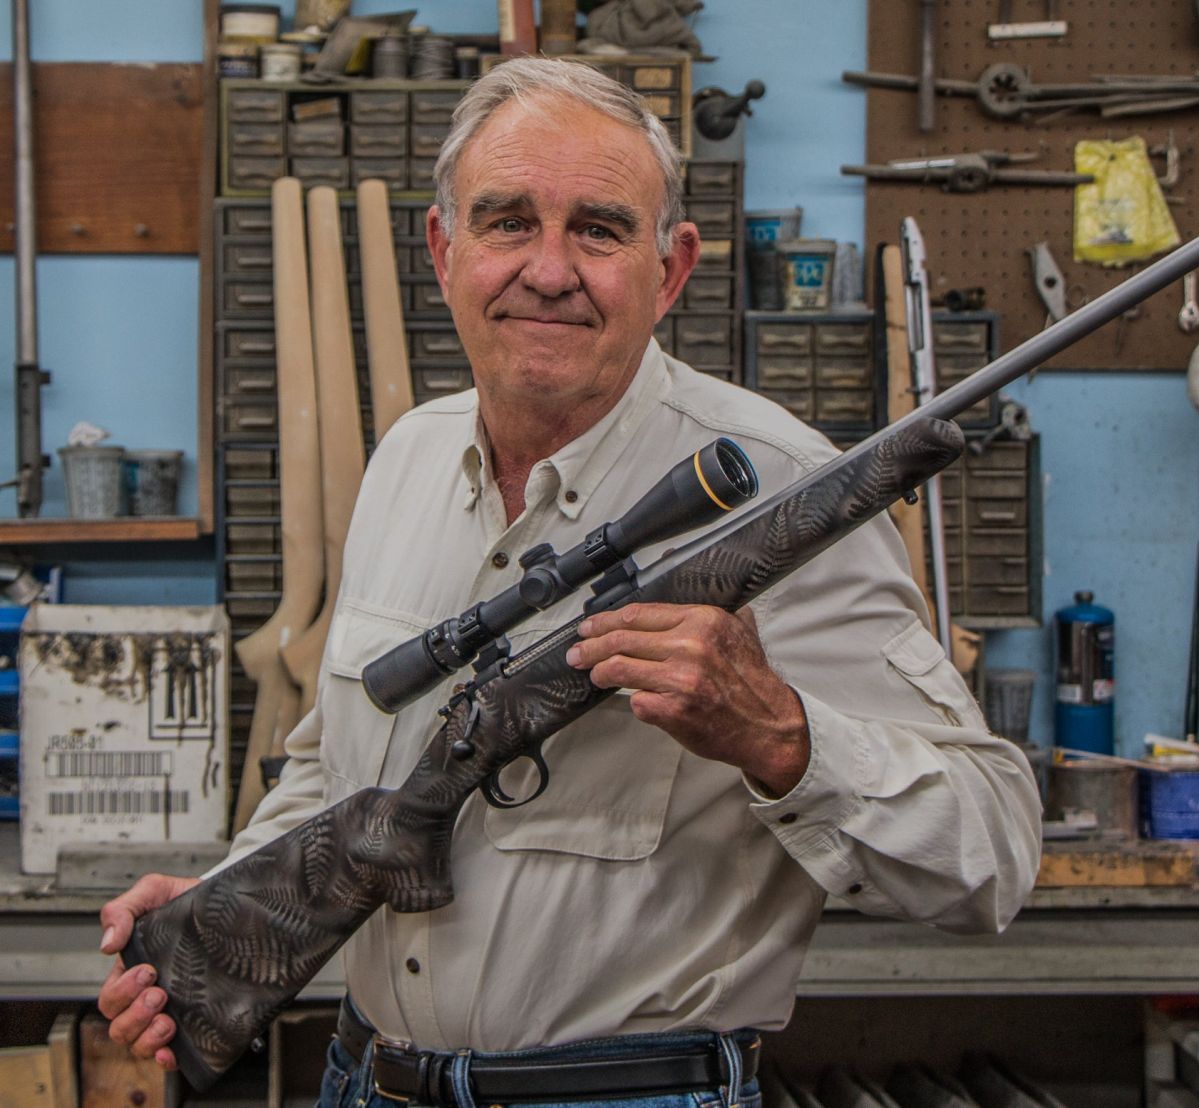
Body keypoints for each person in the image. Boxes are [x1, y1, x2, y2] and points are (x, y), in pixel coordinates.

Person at [97, 57, 1042, 1107]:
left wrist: (778, 733)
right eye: (506, 221)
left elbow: (989, 852)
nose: (548, 270)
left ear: (671, 269)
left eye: (597, 229)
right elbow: (337, 767)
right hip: (367, 1080)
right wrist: (231, 902)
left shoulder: (781, 496)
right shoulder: (407, 457)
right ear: (442, 249)